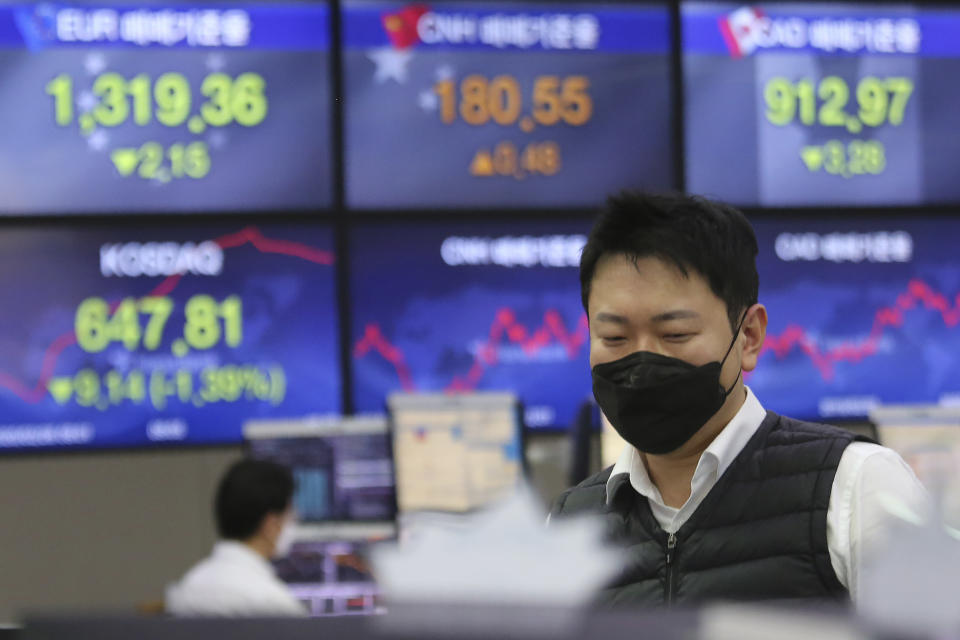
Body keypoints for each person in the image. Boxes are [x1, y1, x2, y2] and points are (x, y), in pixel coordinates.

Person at [550, 192, 928, 606]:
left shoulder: (856, 488)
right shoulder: (569, 524)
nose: (642, 362)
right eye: (614, 338)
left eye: (675, 334)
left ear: (748, 336)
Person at [166, 459, 307, 616]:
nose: (293, 521)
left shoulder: (187, 588)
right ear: (271, 525)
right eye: (290, 514)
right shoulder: (276, 604)